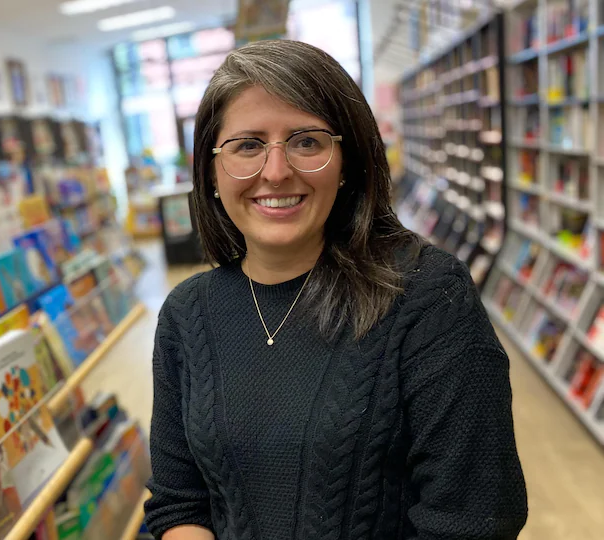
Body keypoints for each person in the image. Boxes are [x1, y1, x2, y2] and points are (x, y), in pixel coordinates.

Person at [144, 40, 527, 540]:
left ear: (347, 162)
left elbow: (473, 519)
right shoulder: (186, 314)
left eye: (307, 141)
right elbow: (179, 504)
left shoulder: (428, 297)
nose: (276, 171)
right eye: (247, 145)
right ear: (212, 171)